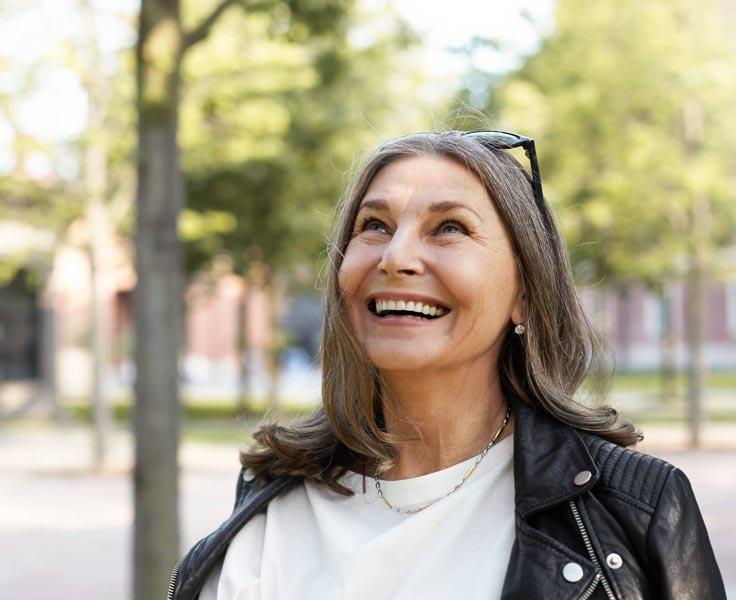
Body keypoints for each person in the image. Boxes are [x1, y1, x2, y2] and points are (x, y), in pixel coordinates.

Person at [168, 131, 726, 600]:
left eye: (450, 228)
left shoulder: (635, 509)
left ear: (526, 294)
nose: (395, 258)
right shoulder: (270, 500)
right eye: (375, 226)